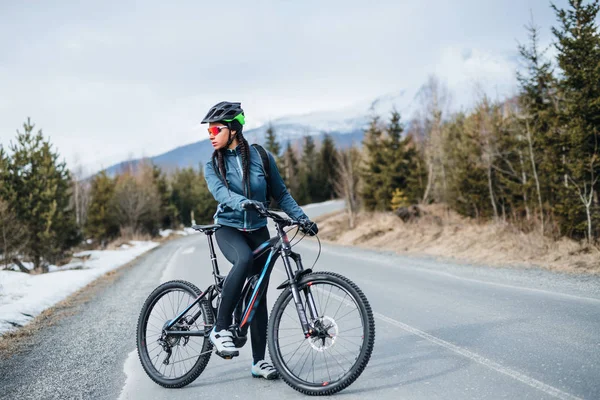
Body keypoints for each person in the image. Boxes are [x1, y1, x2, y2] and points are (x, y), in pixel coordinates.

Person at [201, 101, 318, 380]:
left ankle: (258, 362)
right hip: (228, 228)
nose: (211, 134)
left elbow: (282, 193)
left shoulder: (261, 157)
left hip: (257, 230)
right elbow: (221, 194)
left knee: (259, 293)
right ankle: (219, 328)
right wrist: (243, 203)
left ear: (233, 129)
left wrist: (302, 219)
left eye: (216, 128)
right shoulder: (211, 165)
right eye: (209, 130)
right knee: (242, 260)